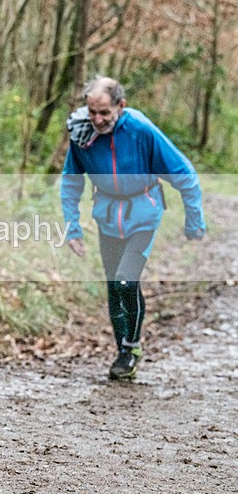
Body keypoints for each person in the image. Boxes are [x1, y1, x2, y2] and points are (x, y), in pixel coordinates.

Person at [61, 76, 206, 380]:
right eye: (92, 112)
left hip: (143, 214)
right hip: (107, 216)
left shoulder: (141, 130)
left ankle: (132, 348)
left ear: (121, 106)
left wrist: (194, 221)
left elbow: (184, 174)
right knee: (115, 287)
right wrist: (72, 228)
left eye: (105, 113)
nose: (98, 120)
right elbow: (71, 182)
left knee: (126, 281)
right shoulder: (81, 133)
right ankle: (121, 351)